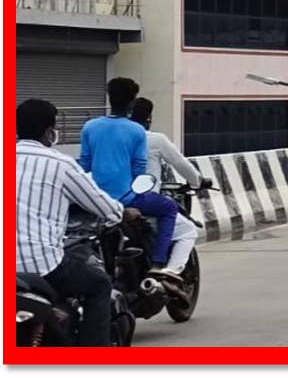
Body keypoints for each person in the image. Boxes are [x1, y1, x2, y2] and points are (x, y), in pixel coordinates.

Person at [16, 99, 123, 346]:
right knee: (99, 284)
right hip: (42, 265)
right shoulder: (60, 163)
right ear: (49, 131)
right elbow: (105, 207)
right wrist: (120, 212)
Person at [80, 78, 179, 279]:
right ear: (132, 103)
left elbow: (85, 165)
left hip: (96, 198)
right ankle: (159, 263)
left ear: (110, 98)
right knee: (170, 208)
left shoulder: (90, 127)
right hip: (128, 198)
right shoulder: (137, 131)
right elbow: (139, 169)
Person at [129, 98, 211, 276]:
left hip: (113, 198)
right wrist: (197, 182)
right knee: (186, 228)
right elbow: (180, 163)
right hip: (143, 198)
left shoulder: (115, 138)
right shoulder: (155, 140)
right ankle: (166, 270)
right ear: (149, 118)